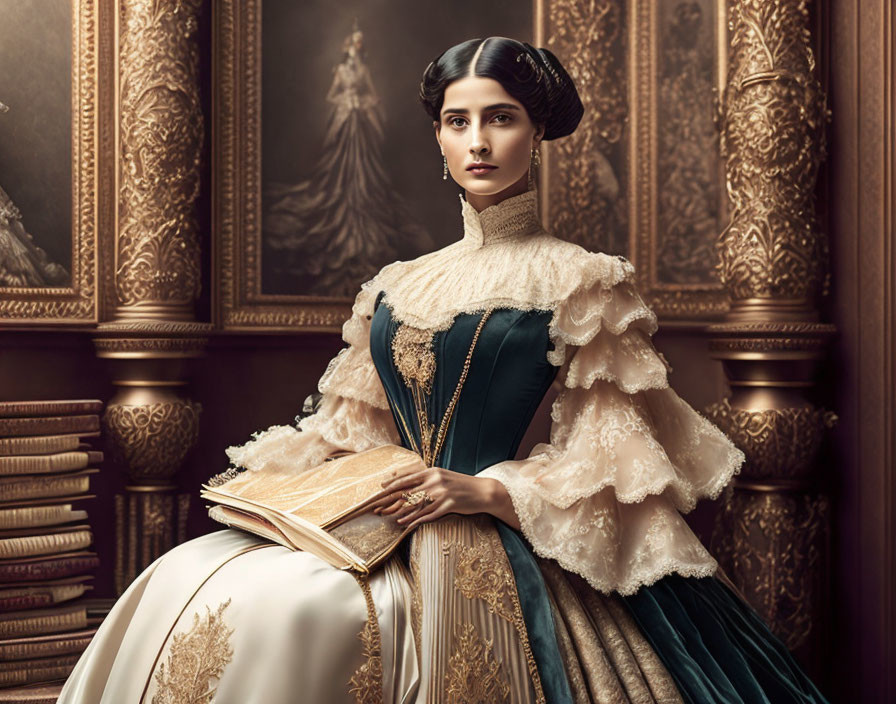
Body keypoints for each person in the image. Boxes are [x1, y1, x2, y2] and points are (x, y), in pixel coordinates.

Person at [59, 37, 829, 703]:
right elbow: (351, 427)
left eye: (501, 118)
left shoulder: (579, 279)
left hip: (489, 517)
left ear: (535, 133)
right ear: (438, 136)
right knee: (192, 575)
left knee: (307, 615)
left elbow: (610, 454)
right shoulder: (401, 282)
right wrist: (307, 485)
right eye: (458, 122)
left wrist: (490, 489)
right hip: (388, 514)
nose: (478, 142)